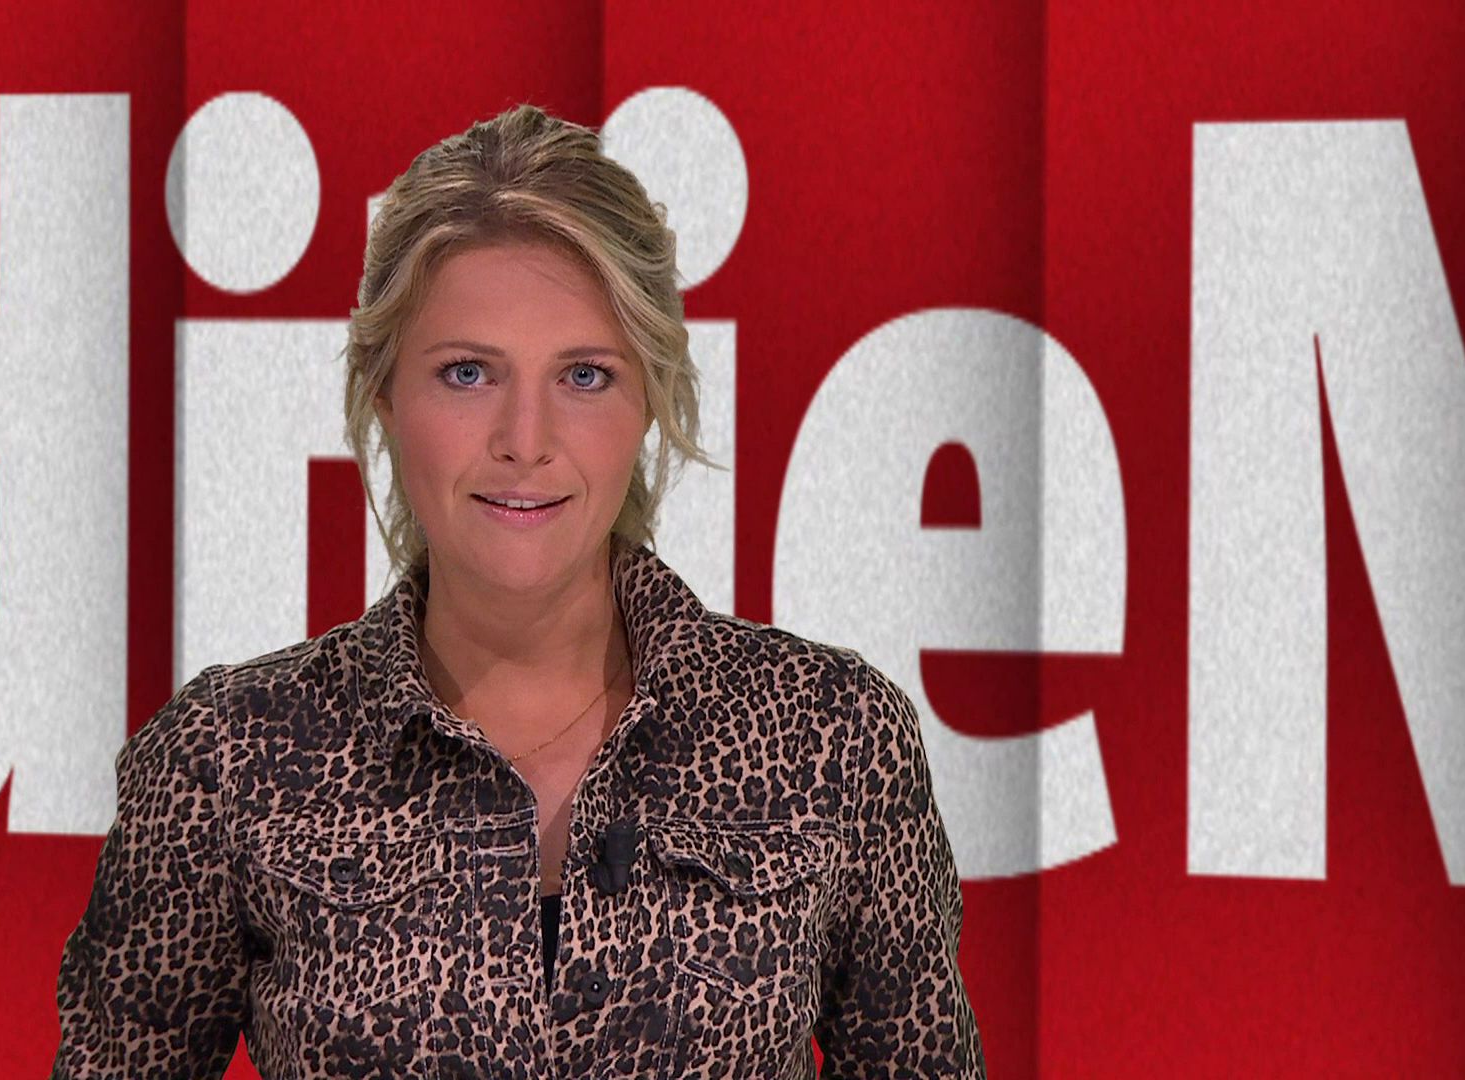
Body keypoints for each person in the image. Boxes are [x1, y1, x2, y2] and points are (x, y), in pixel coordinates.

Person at [50, 102, 985, 1078]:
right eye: (467, 373)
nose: (525, 441)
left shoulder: (834, 737)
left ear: (650, 398)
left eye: (584, 376)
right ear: (385, 392)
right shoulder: (226, 758)